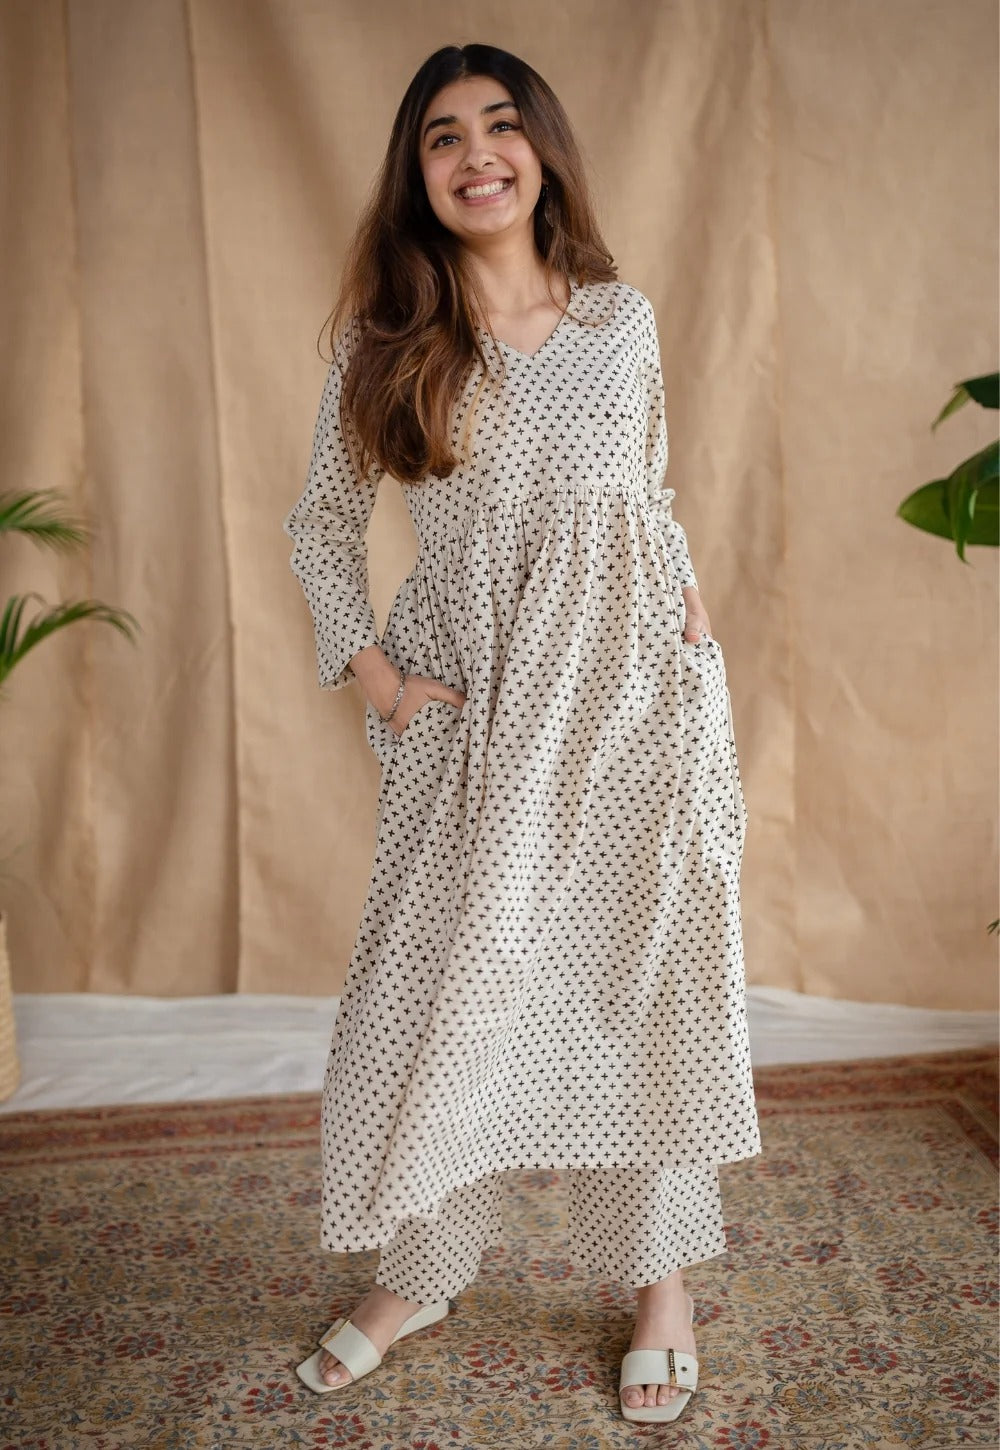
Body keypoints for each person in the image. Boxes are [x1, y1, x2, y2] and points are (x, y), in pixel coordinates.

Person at [283, 41, 762, 1426]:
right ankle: (420, 1271)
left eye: (501, 125)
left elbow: (647, 498)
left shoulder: (623, 319)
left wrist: (690, 629)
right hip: (481, 723)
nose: (477, 153)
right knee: (438, 992)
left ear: (543, 152)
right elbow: (320, 527)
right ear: (417, 174)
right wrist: (383, 685)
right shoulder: (388, 342)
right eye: (443, 135)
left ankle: (662, 1286)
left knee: (642, 986)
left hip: (636, 710)